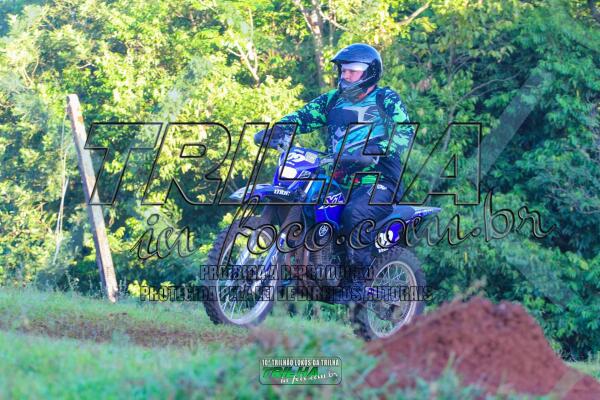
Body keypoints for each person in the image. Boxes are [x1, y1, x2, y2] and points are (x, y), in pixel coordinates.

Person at [255, 43, 414, 302]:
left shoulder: (385, 99)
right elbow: (302, 117)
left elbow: (405, 131)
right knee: (304, 200)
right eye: (343, 70)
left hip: (378, 179)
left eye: (352, 70)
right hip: (339, 178)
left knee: (355, 213)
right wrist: (278, 130)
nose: (345, 75)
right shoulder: (332, 100)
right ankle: (304, 265)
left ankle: (357, 282)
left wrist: (376, 149)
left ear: (369, 72)